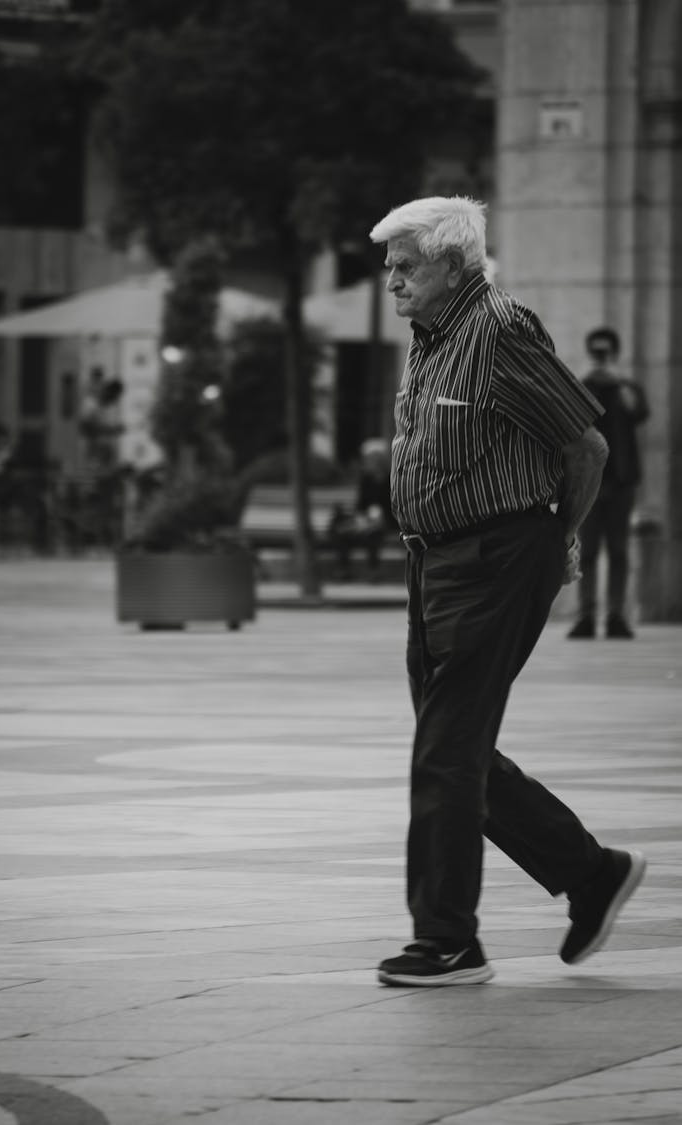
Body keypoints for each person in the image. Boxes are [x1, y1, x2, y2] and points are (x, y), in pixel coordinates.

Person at [368, 196, 646, 987]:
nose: (392, 281)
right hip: (436, 562)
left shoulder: (500, 330)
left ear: (453, 267)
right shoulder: (431, 337)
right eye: (388, 266)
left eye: (406, 267)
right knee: (452, 745)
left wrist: (560, 535)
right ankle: (592, 874)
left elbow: (584, 444)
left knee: (446, 751)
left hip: (496, 556)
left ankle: (448, 940)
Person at [567, 327, 649, 640]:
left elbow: (640, 413)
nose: (601, 358)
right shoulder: (580, 386)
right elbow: (569, 418)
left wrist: (619, 379)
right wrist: (584, 379)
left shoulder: (626, 387)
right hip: (588, 481)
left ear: (614, 354)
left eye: (606, 352)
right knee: (585, 551)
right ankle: (585, 615)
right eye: (597, 352)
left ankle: (616, 614)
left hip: (621, 481)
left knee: (618, 550)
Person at [329, 438, 396, 580]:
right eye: (367, 459)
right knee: (343, 532)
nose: (367, 462)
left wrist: (379, 516)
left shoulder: (391, 479)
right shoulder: (366, 480)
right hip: (366, 521)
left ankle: (374, 570)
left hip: (386, 522)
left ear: (380, 460)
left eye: (371, 459)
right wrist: (362, 518)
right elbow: (360, 505)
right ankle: (343, 570)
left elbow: (394, 506)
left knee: (374, 534)